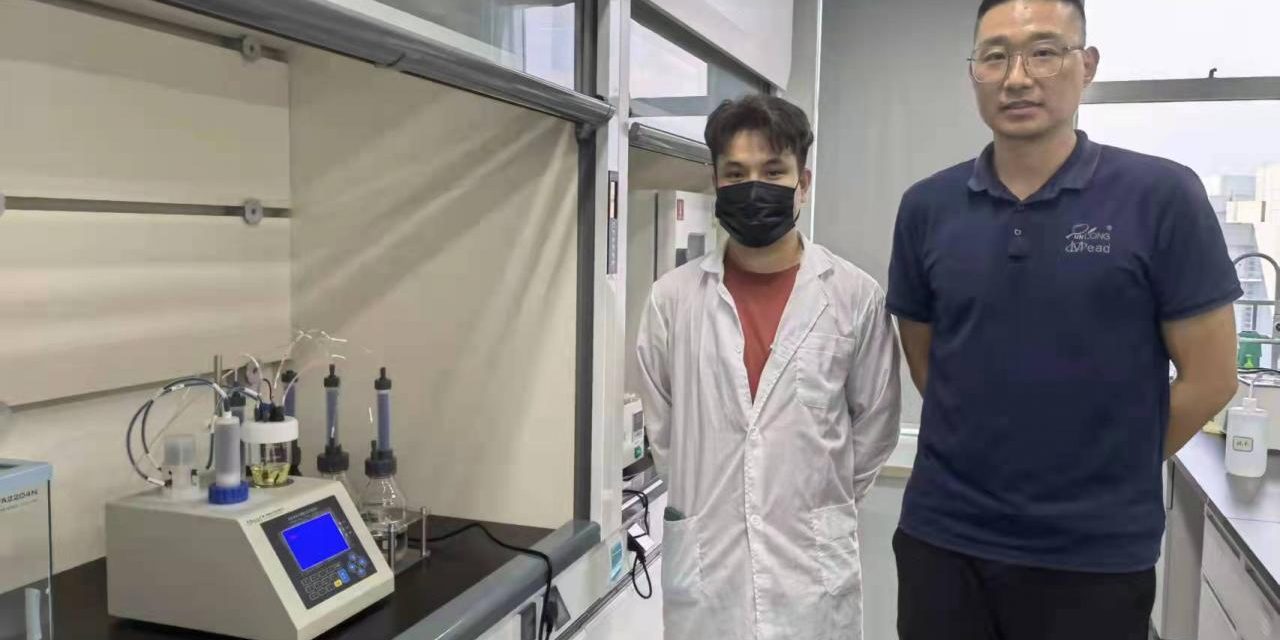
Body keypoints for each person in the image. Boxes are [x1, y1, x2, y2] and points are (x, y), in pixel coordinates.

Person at [887, 1, 1242, 639]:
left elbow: (1212, 378)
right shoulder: (927, 208)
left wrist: (1108, 467)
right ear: (974, 72)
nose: (1017, 77)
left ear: (1088, 65)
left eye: (1044, 52)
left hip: (1093, 557)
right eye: (995, 56)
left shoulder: (1162, 197)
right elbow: (930, 365)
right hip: (944, 543)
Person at [635, 94, 901, 640]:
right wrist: (713, 491)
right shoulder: (672, 299)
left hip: (811, 577)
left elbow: (875, 428)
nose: (753, 187)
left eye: (773, 171)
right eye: (736, 173)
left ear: (803, 183)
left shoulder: (854, 297)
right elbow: (664, 435)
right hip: (709, 576)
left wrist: (813, 503)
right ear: (716, 182)